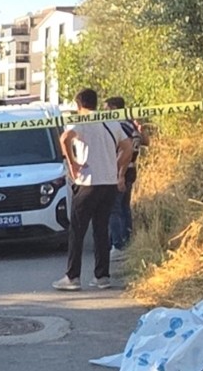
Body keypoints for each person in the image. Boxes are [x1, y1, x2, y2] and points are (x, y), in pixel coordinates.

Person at [53, 89, 133, 291]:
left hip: (88, 182)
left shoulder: (81, 121)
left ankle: (72, 277)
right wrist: (118, 168)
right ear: (96, 103)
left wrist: (72, 164)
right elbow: (128, 146)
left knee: (77, 231)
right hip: (108, 183)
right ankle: (102, 276)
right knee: (101, 229)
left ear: (79, 105)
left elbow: (64, 139)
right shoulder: (110, 121)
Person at [104, 96, 150, 260]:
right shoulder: (131, 124)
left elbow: (126, 150)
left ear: (114, 108)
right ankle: (128, 241)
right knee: (124, 207)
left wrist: (120, 175)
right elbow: (146, 142)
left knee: (114, 208)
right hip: (131, 169)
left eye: (107, 109)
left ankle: (118, 245)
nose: (105, 112)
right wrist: (140, 129)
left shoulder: (120, 125)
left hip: (122, 169)